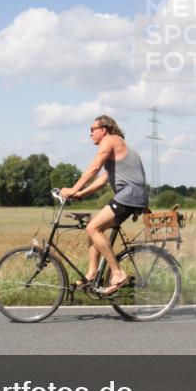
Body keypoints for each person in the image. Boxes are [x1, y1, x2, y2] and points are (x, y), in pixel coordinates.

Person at [58, 115, 149, 296]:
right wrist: (81, 194)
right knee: (93, 228)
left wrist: (72, 189)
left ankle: (118, 273)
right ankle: (92, 274)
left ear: (104, 130)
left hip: (129, 196)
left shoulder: (109, 141)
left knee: (93, 228)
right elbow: (103, 179)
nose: (90, 134)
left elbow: (94, 168)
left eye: (92, 130)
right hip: (130, 196)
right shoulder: (116, 145)